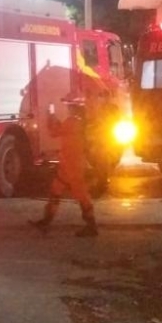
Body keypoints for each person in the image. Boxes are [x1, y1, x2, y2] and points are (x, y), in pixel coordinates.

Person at [30, 97, 98, 237]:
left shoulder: (72, 121)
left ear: (73, 108)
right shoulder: (80, 122)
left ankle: (91, 226)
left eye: (69, 106)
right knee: (56, 189)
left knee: (81, 195)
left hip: (72, 165)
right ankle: (46, 221)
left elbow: (54, 132)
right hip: (71, 164)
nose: (67, 108)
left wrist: (50, 117)